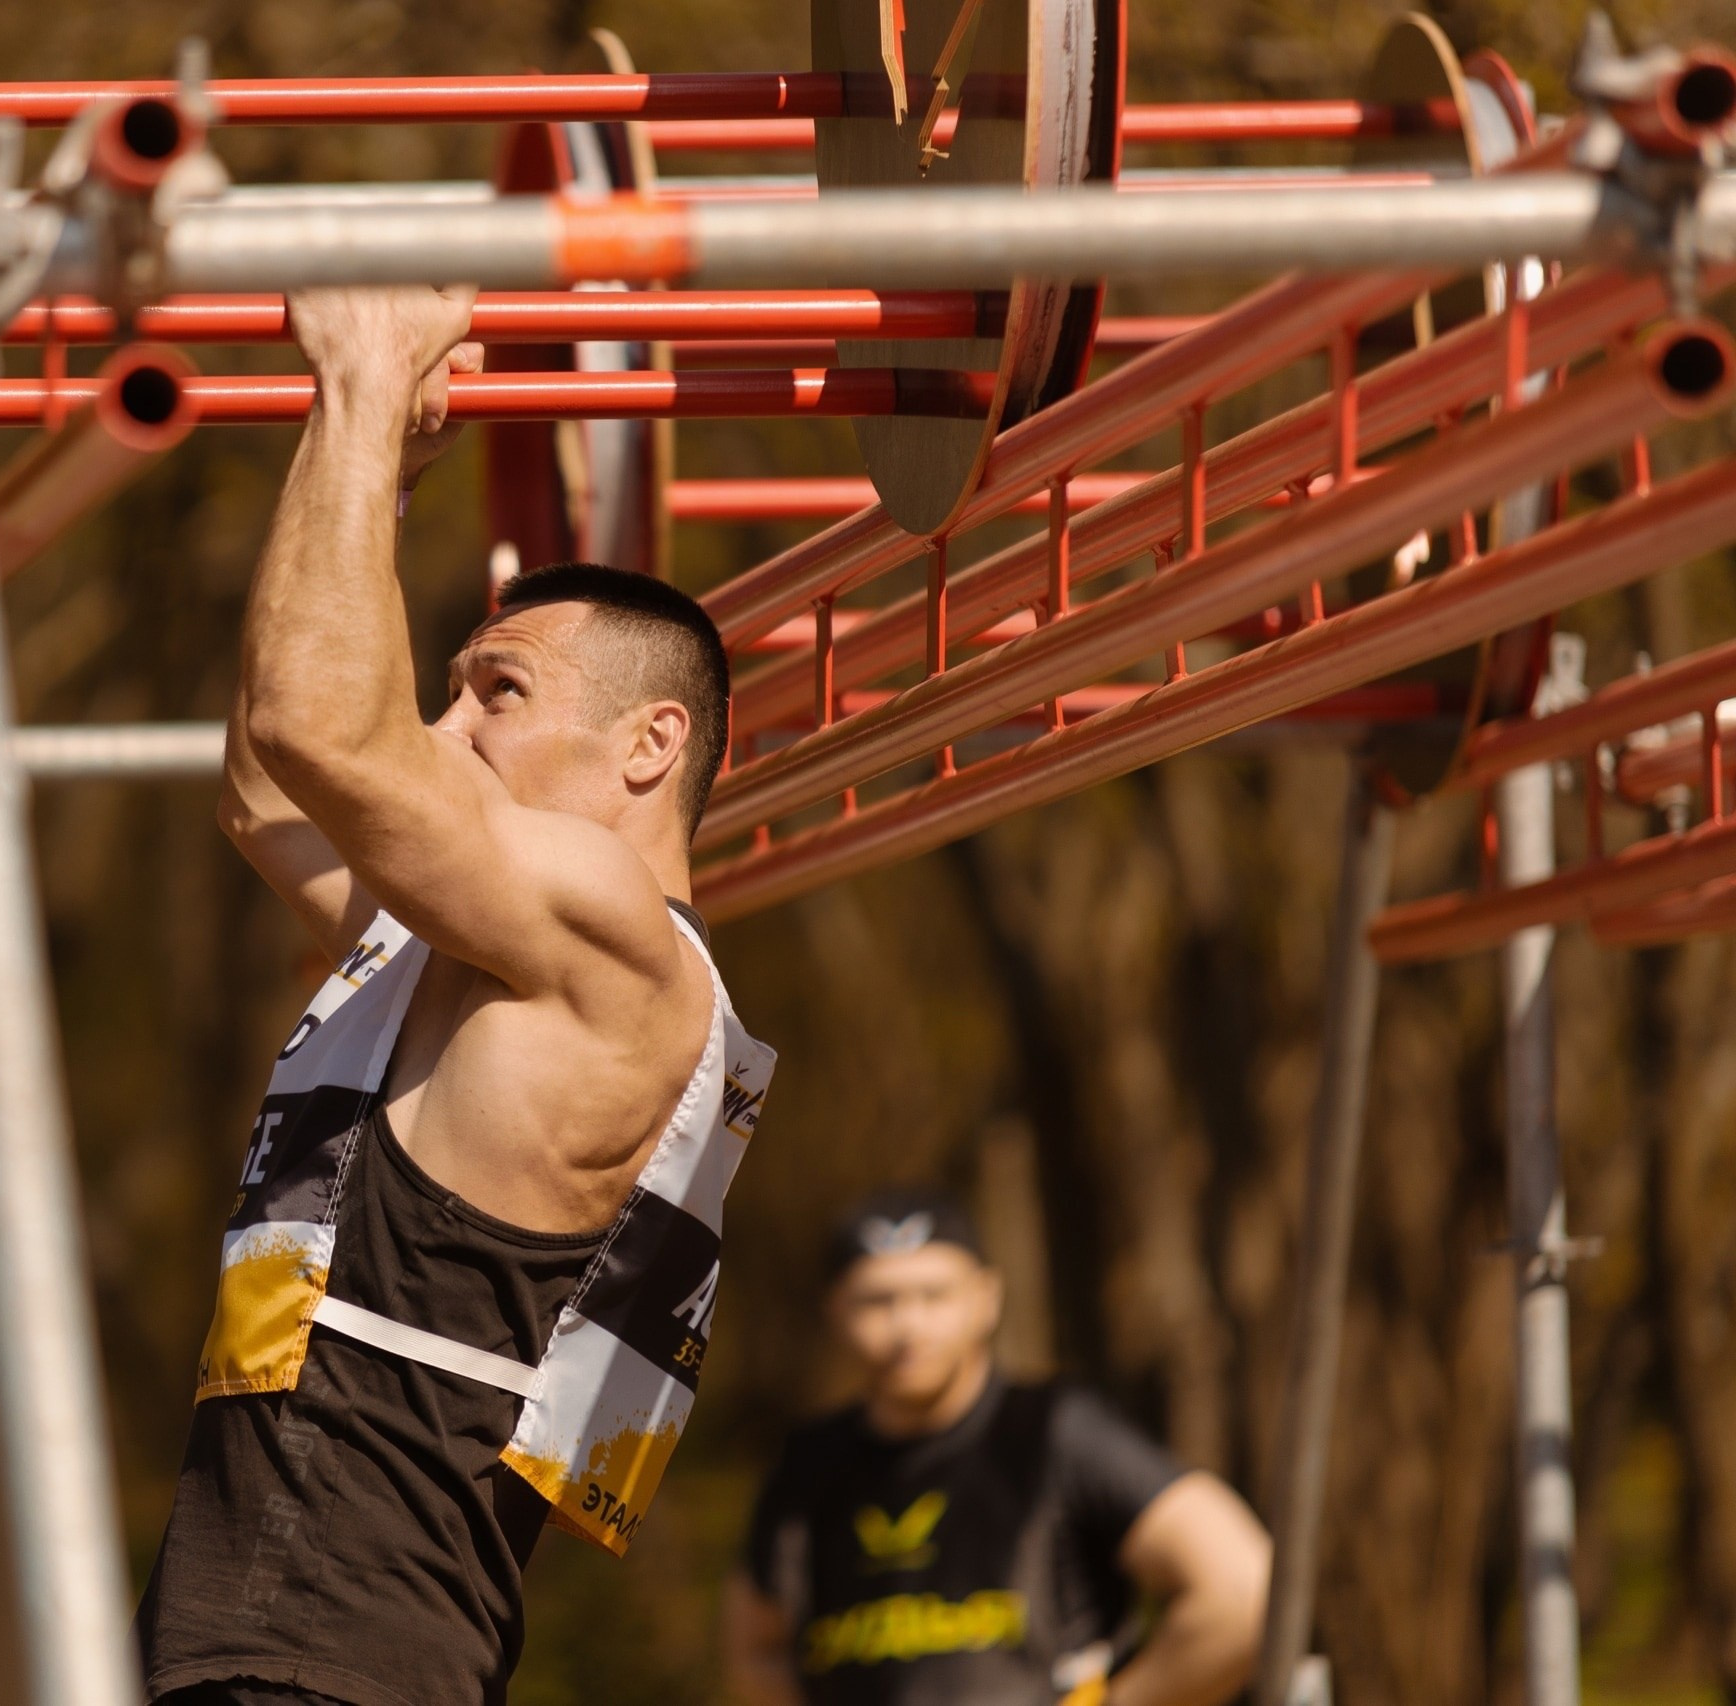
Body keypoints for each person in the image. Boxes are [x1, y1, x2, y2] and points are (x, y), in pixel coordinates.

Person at [135, 286, 778, 1706]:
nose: (447, 725)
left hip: (329, 1659)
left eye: (498, 690)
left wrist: (363, 381)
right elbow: (269, 791)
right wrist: (372, 469)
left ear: (649, 744)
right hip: (297, 1649)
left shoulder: (614, 934)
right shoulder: (482, 952)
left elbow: (318, 724)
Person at [725, 1189, 1270, 1706]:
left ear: (987, 1298)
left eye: (934, 1295)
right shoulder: (809, 1464)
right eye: (877, 1300)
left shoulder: (1058, 1429)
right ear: (835, 1311)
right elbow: (754, 1650)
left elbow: (1244, 1594)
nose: (907, 1325)